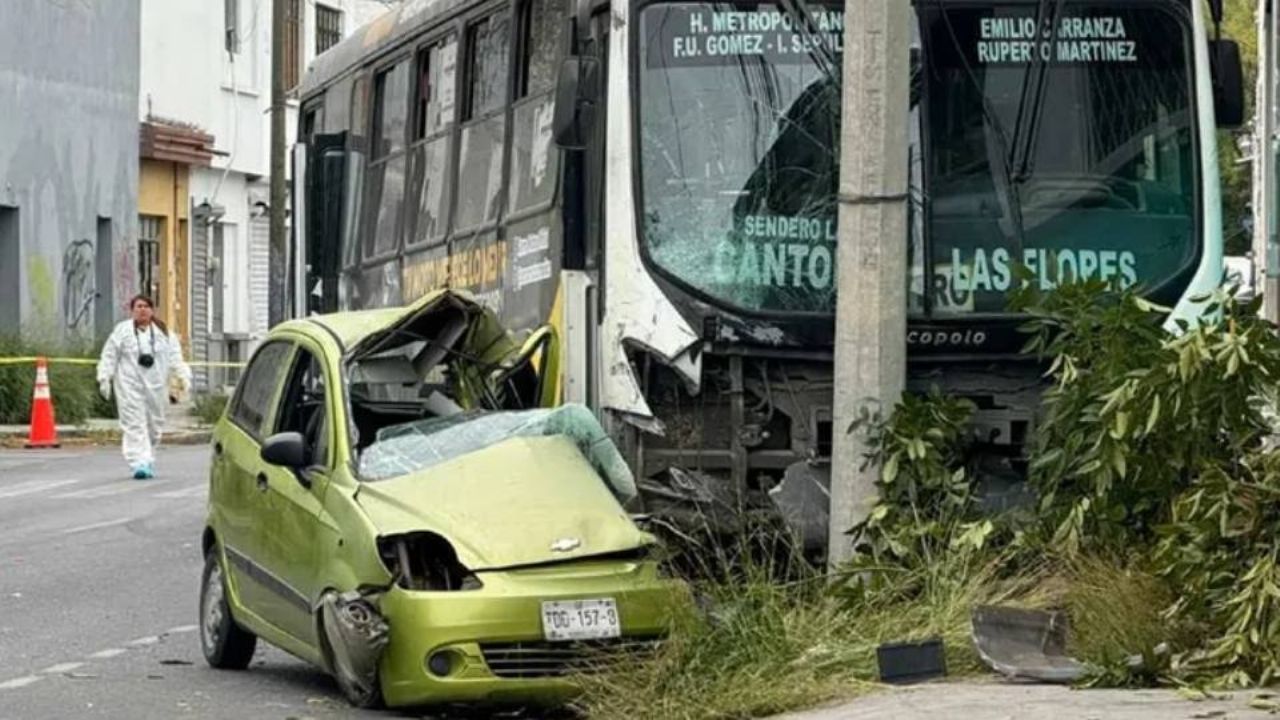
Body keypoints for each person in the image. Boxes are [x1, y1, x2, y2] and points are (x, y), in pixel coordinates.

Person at [96, 295, 192, 479]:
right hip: (129, 386)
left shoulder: (164, 333)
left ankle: (147, 456)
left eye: (146, 306)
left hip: (156, 387)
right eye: (138, 306)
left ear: (152, 310)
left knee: (154, 426)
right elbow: (109, 355)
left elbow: (175, 358)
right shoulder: (122, 331)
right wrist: (104, 377)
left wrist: (184, 376)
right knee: (134, 424)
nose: (142, 310)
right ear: (132, 310)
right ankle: (138, 462)